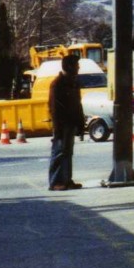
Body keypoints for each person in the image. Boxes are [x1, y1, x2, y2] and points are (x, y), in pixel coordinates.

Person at [47, 53, 85, 191]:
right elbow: (54, 109)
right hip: (62, 125)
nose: (78, 67)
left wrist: (81, 124)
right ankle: (55, 182)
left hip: (72, 123)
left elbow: (78, 104)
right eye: (76, 65)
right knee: (59, 152)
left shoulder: (74, 83)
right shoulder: (57, 84)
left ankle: (67, 180)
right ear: (69, 67)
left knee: (68, 153)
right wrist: (57, 130)